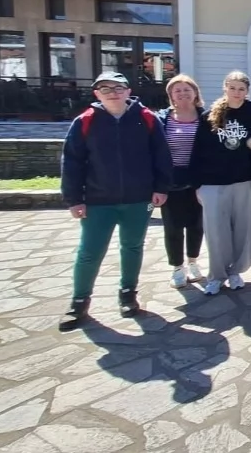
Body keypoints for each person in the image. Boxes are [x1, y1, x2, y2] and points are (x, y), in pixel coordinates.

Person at [59, 72, 172, 331]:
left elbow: (161, 156)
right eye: (105, 88)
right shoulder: (85, 121)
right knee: (90, 252)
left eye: (118, 87)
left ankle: (128, 293)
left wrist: (162, 187)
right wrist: (74, 199)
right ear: (97, 93)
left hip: (138, 198)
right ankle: (79, 302)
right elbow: (72, 162)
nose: (113, 92)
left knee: (132, 247)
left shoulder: (147, 119)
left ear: (128, 90)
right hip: (98, 200)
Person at [191, 70, 251, 296]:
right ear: (225, 88)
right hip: (213, 183)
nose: (236, 93)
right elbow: (198, 151)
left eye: (241, 89)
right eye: (232, 88)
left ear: (247, 91)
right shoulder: (209, 116)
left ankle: (236, 271)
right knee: (216, 231)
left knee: (244, 229)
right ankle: (217, 275)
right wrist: (197, 184)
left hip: (245, 181)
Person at [157, 74, 205, 289]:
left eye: (187, 89)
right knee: (173, 226)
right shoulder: (162, 119)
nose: (183, 94)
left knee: (197, 224)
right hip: (170, 181)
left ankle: (193, 262)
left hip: (198, 180)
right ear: (171, 96)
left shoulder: (206, 118)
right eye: (178, 91)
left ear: (195, 93)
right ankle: (177, 267)